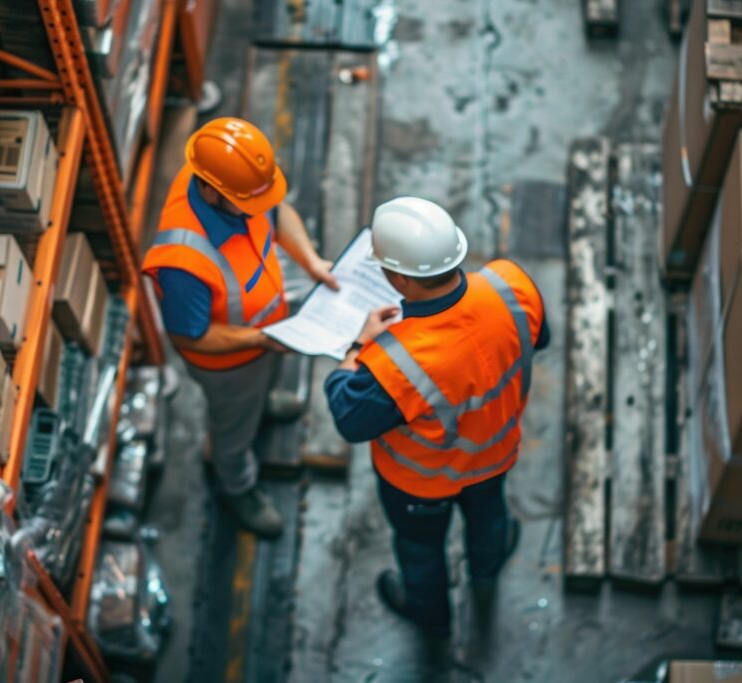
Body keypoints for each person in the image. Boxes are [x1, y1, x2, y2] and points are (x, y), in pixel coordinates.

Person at [324, 197, 549, 638]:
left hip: (419, 485)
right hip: (495, 456)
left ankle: (430, 614)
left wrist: (356, 347)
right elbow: (539, 338)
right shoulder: (510, 284)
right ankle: (486, 567)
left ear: (401, 279)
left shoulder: (394, 362)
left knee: (420, 548)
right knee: (489, 518)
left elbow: (350, 418)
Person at [143, 118, 338, 538]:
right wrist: (262, 338)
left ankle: (264, 404)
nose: (257, 208)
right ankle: (237, 487)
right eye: (248, 203)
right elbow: (189, 336)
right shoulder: (183, 261)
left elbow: (277, 211)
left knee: (262, 392)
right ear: (210, 191)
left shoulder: (234, 183)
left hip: (267, 331)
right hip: (230, 366)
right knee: (233, 432)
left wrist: (311, 262)